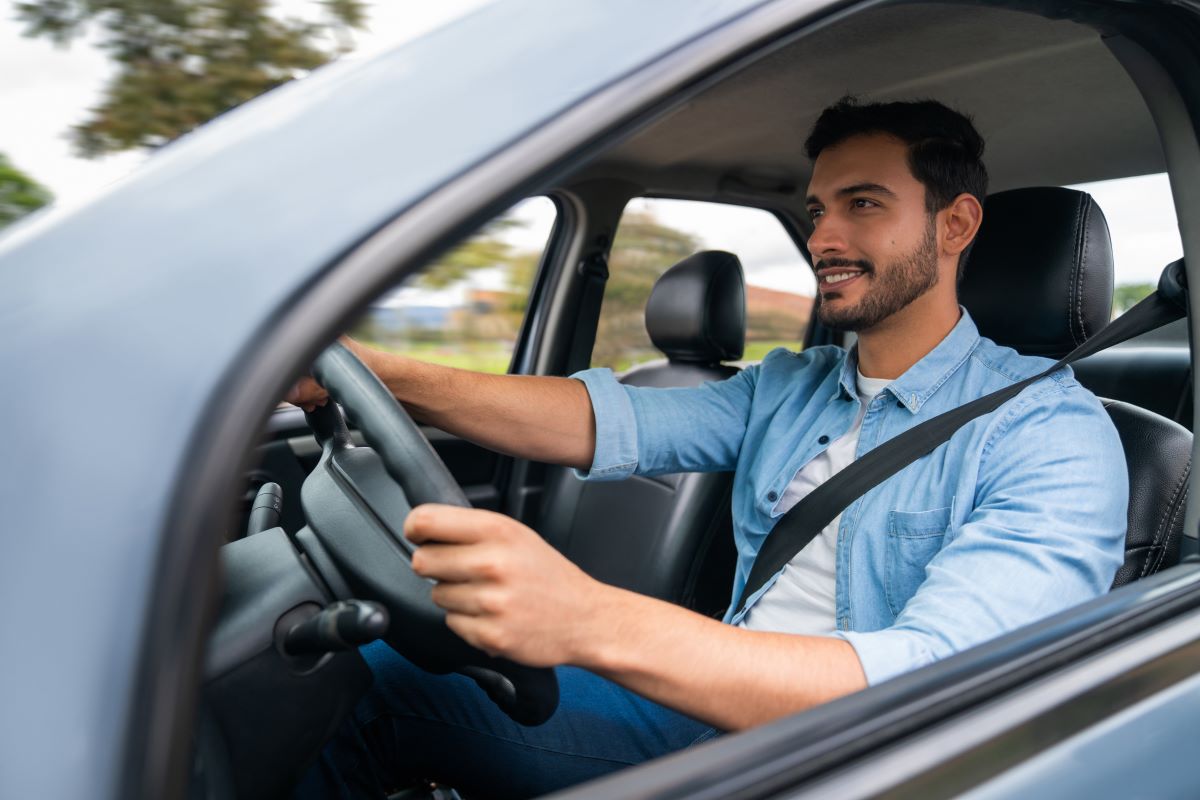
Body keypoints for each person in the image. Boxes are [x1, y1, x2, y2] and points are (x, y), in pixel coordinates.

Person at [291, 98, 1127, 799]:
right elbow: (594, 422)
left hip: (857, 762)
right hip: (711, 715)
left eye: (863, 204)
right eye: (817, 211)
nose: (824, 238)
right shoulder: (790, 385)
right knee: (352, 670)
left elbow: (935, 680)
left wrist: (586, 618)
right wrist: (376, 372)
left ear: (956, 224)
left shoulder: (1050, 435)